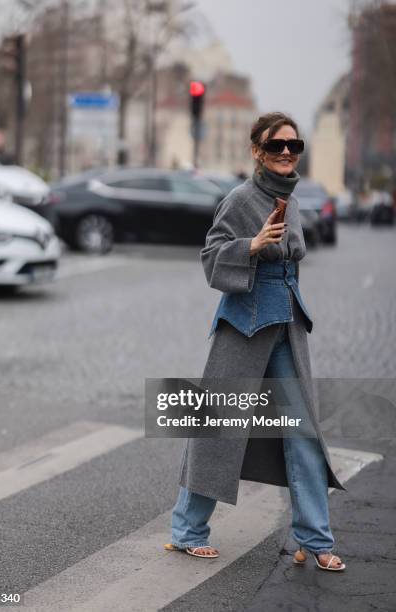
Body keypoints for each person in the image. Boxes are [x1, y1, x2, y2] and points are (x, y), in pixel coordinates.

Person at [165, 112, 346, 572]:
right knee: (217, 430)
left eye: (293, 145)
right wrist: (250, 244)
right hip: (244, 327)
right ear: (256, 151)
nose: (286, 152)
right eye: (275, 145)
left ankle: (314, 539)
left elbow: (293, 258)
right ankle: (188, 532)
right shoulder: (239, 198)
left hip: (286, 323)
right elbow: (210, 257)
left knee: (303, 433)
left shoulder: (295, 200)